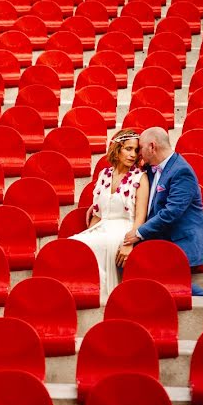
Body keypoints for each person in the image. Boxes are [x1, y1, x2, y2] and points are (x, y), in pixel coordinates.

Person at [122, 127, 203, 296]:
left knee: (163, 279)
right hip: (160, 234)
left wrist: (139, 232)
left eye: (140, 148)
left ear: (152, 147)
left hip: (180, 238)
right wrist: (99, 204)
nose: (138, 153)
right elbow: (126, 185)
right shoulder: (150, 168)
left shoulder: (181, 171)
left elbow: (171, 212)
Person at [69, 129, 149, 303]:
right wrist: (87, 234)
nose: (132, 155)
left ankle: (98, 296)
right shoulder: (103, 175)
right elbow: (98, 213)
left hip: (123, 230)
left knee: (86, 246)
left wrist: (129, 244)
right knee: (73, 244)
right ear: (117, 149)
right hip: (102, 227)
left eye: (136, 151)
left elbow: (140, 218)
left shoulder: (140, 178)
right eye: (128, 149)